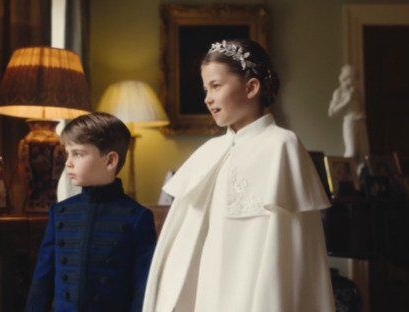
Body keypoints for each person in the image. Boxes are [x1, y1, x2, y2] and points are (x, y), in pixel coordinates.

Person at [143, 39, 335, 311]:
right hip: (209, 286)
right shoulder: (210, 150)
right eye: (205, 88)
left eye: (216, 86)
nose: (207, 98)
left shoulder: (281, 145)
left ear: (251, 87)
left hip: (252, 289)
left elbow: (288, 249)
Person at [26, 112, 157, 312]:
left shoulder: (137, 217)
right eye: (67, 153)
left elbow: (142, 289)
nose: (68, 162)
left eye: (78, 154)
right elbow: (41, 282)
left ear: (110, 160)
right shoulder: (60, 213)